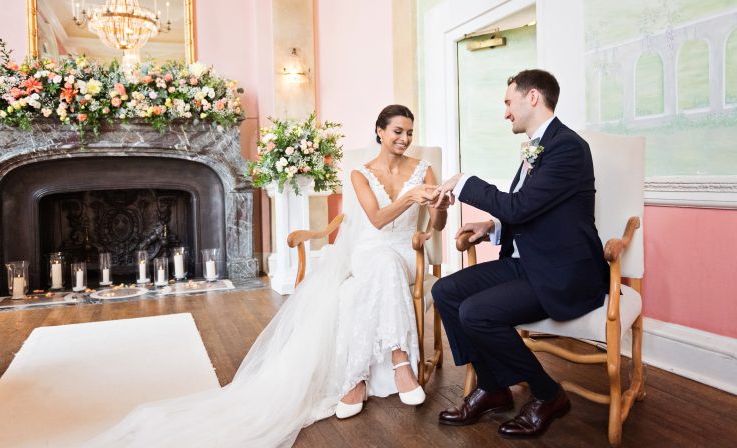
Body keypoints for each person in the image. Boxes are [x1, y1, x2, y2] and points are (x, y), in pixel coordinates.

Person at [87, 105, 447, 447]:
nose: (404, 139)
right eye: (398, 131)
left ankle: (359, 378)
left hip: (405, 252)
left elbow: (438, 224)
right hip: (370, 249)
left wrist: (439, 210)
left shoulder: (424, 169)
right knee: (379, 264)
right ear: (380, 132)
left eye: (409, 133)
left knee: (377, 273)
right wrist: (410, 197)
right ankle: (399, 363)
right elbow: (377, 220)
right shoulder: (360, 173)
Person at [429, 69, 609, 438]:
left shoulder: (568, 147)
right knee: (444, 291)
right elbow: (532, 211)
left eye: (508, 102)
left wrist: (463, 182)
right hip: (529, 263)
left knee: (475, 312)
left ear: (533, 97)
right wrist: (492, 227)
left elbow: (520, 206)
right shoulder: (540, 146)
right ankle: (493, 387)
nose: (505, 112)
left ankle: (548, 394)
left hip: (563, 272)